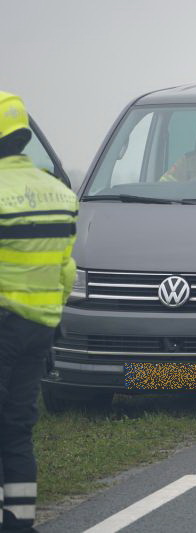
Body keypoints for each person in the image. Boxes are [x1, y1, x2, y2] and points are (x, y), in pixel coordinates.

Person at [0, 91, 78, 532]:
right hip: (39, 328)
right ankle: (20, 523)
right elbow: (66, 270)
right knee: (15, 427)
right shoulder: (58, 192)